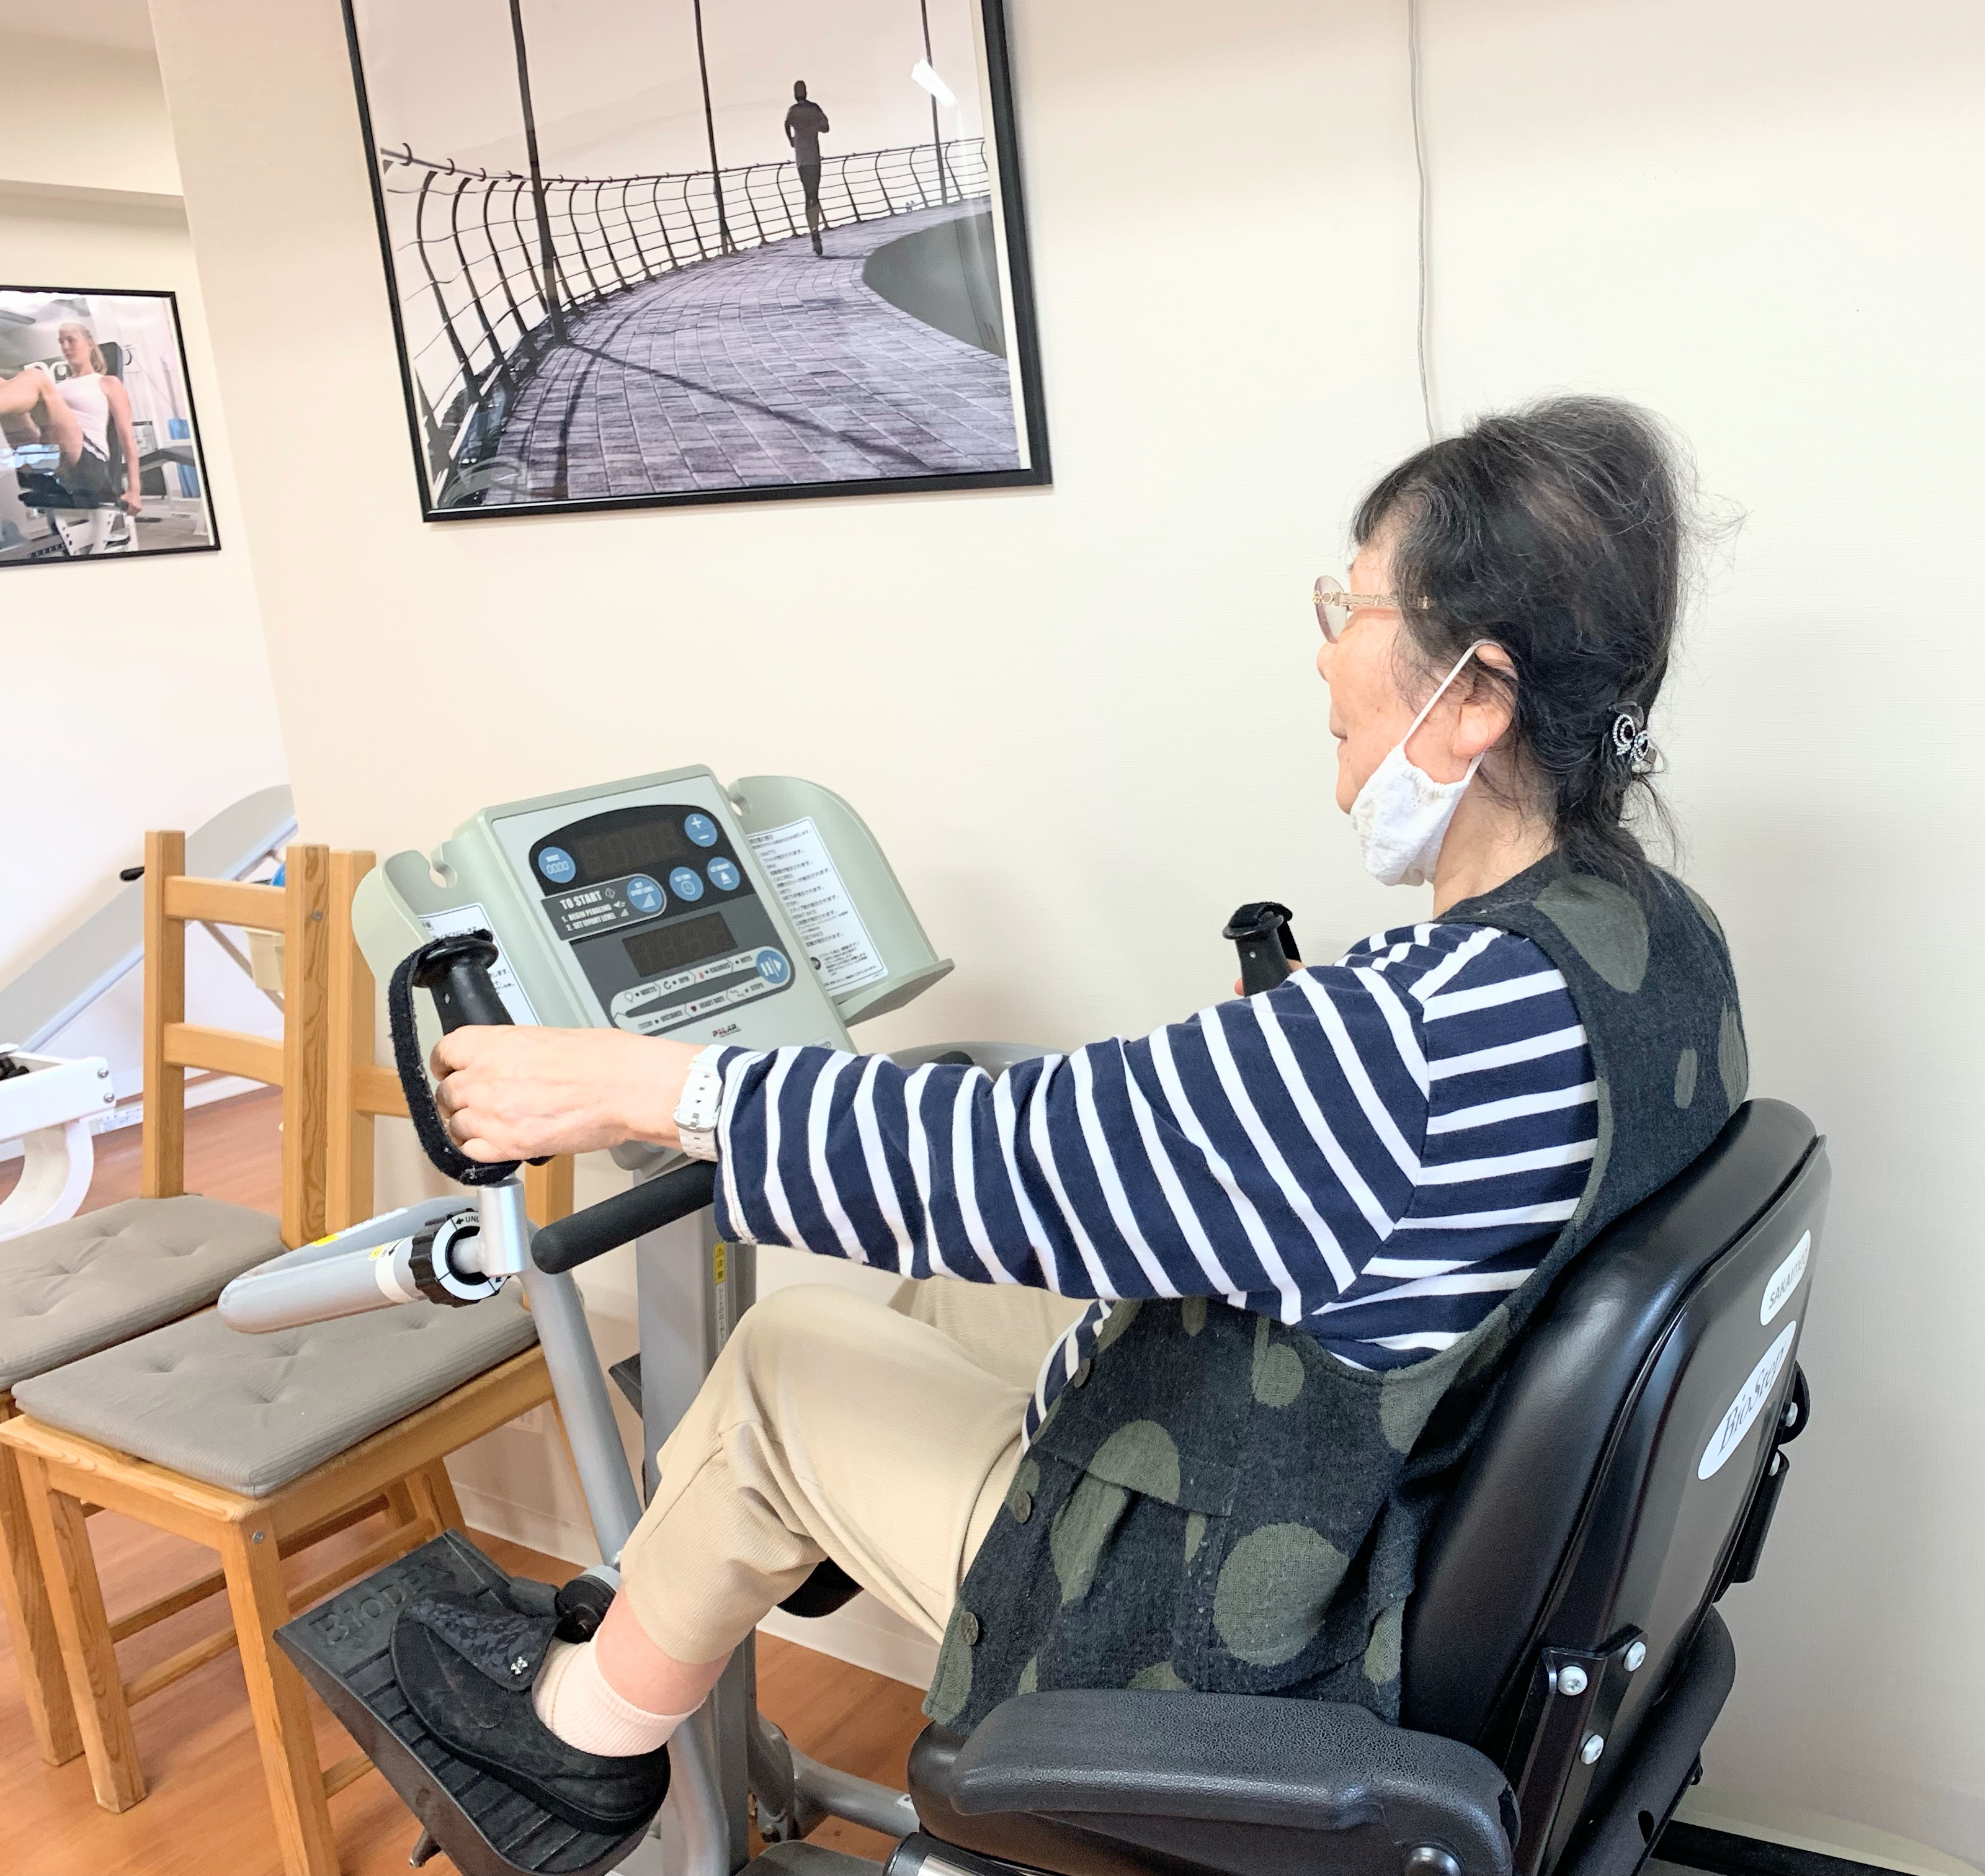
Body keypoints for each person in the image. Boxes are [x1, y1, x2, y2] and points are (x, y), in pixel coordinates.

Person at [401, 396, 1747, 1834]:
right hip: (1415, 1471)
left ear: (1475, 698)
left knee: (783, 1362)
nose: (1324, 651)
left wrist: (642, 1084)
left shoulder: (1406, 1040)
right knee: (947, 1298)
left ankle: (581, 1738)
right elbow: (1356, 1157)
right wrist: (1292, 1087)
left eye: (1353, 607)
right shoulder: (1661, 940)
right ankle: (728, 1553)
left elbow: (1018, 1162)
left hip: (1260, 1633)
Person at [0, 321, 140, 518]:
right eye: (61, 342)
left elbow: (127, 439)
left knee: (36, 377)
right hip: (48, 458)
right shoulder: (58, 387)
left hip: (88, 465)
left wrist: (135, 490)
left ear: (90, 343)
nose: (65, 347)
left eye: (71, 340)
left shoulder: (107, 382)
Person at [784, 79, 832, 256]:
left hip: (801, 160)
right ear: (806, 92)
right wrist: (814, 127)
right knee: (814, 194)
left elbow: (786, 124)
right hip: (814, 158)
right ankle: (815, 231)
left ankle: (814, 232)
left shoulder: (793, 111)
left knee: (808, 195)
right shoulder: (814, 108)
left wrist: (792, 140)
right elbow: (826, 128)